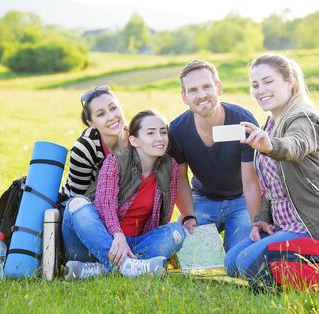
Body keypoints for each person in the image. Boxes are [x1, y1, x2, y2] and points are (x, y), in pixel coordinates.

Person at [224, 53, 319, 282]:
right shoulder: (270, 122)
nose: (260, 90)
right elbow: (272, 184)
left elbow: (294, 146)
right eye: (255, 85)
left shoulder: (303, 118)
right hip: (288, 225)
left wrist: (270, 145)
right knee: (233, 263)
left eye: (268, 81)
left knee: (249, 265)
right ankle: (310, 262)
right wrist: (263, 218)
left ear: (290, 82)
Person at [61, 110, 186, 280]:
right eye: (150, 133)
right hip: (95, 242)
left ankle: (103, 269)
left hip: (136, 244)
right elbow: (105, 206)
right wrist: (117, 236)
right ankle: (128, 266)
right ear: (134, 140)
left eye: (163, 132)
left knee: (177, 231)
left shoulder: (169, 166)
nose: (160, 138)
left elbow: (164, 215)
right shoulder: (115, 161)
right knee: (76, 205)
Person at [168, 60, 262, 252]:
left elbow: (252, 182)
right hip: (203, 198)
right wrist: (188, 215)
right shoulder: (177, 130)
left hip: (242, 199)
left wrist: (256, 221)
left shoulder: (241, 121)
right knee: (192, 255)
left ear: (218, 88)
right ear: (184, 97)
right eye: (193, 90)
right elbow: (180, 178)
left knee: (240, 254)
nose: (201, 95)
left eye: (206, 87)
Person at [61, 85, 129, 199]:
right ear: (91, 123)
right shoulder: (84, 148)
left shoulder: (136, 139)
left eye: (113, 108)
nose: (111, 116)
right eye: (101, 114)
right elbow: (77, 200)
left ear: (121, 108)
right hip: (84, 205)